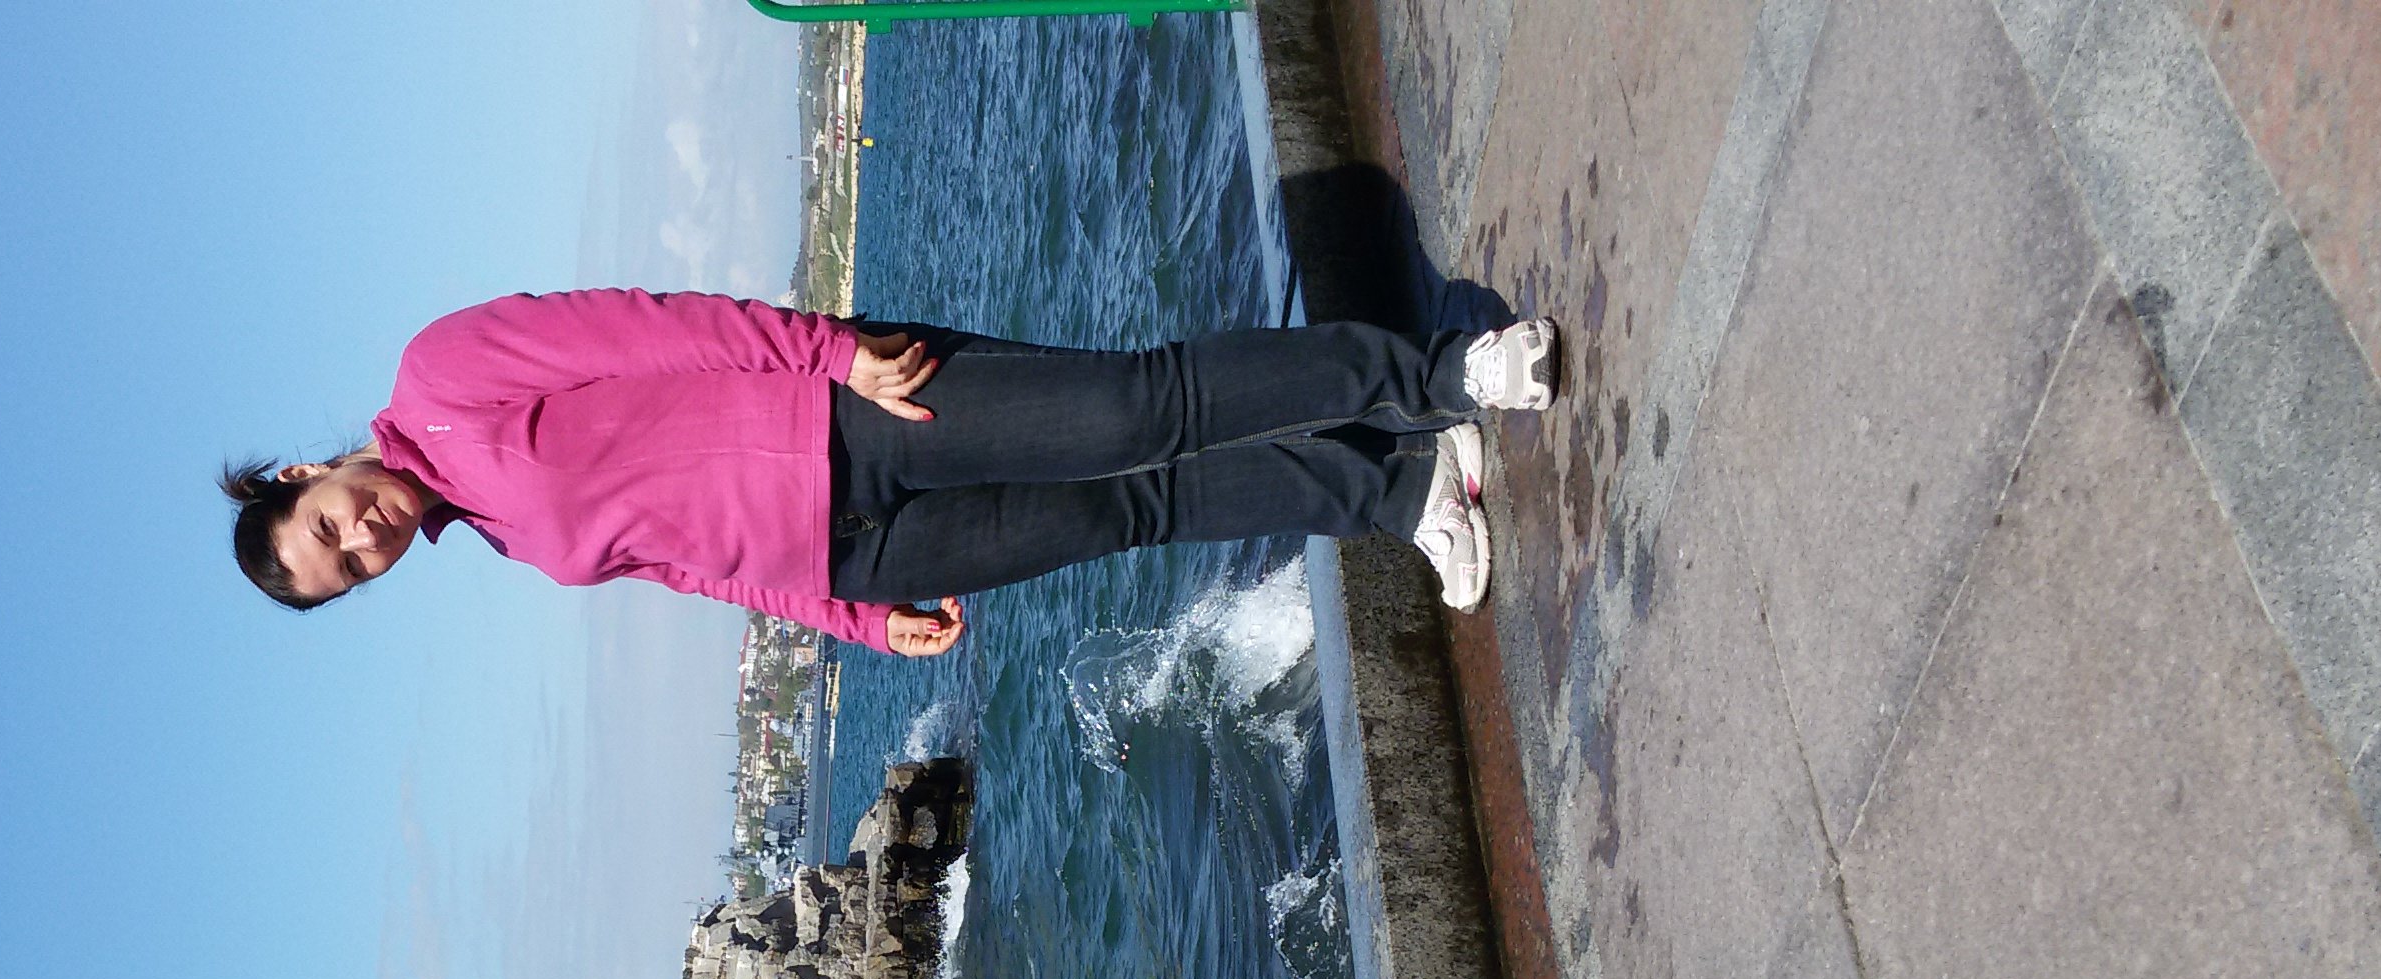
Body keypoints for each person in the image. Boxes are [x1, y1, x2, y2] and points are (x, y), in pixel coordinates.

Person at [221, 289, 1555, 655]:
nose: (363, 540)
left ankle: (1442, 374)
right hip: (859, 552)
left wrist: (831, 354)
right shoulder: (504, 538)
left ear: (305, 472)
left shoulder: (441, 376)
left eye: (327, 526)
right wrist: (853, 618)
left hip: (851, 412)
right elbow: (694, 570)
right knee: (1136, 509)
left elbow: (650, 326)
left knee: (1137, 409)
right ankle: (1396, 490)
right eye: (353, 571)